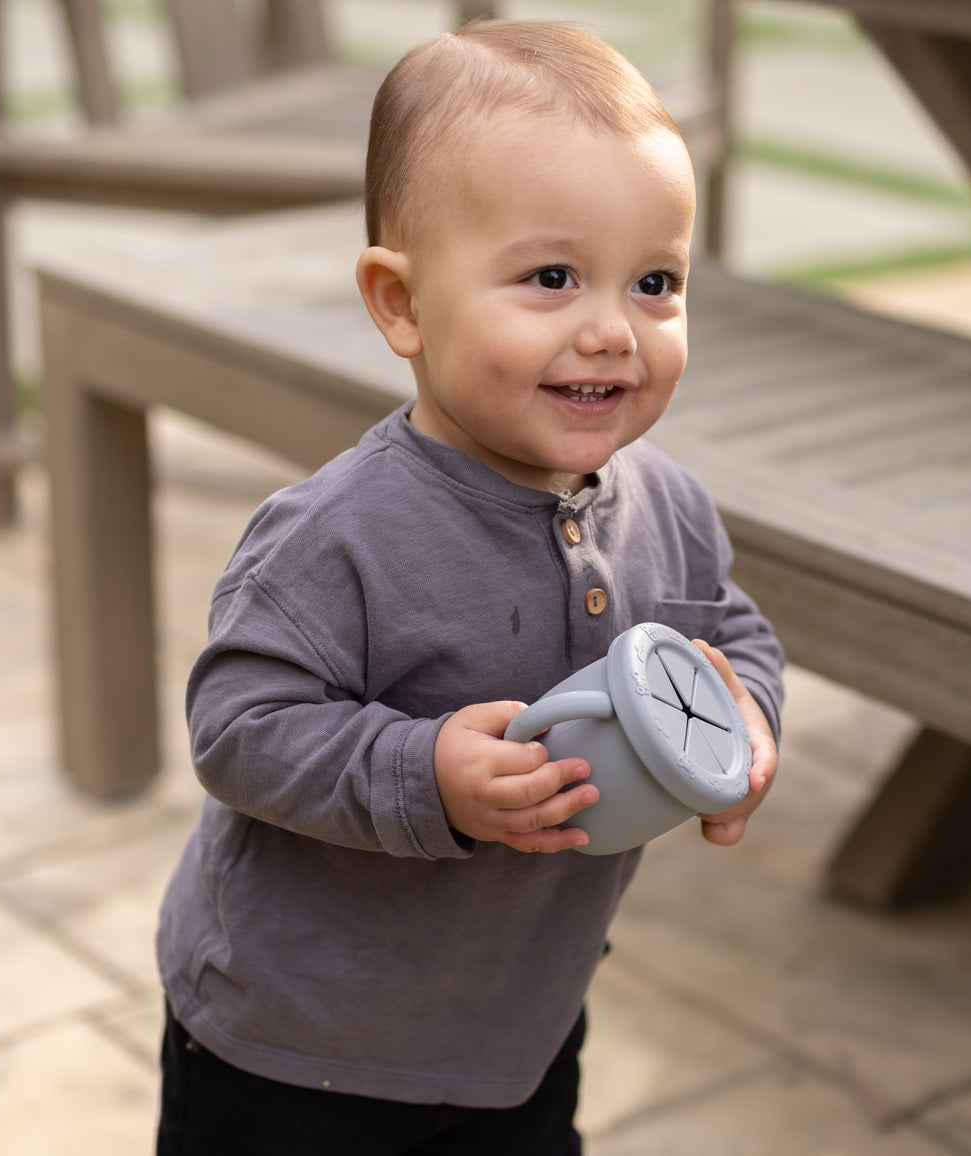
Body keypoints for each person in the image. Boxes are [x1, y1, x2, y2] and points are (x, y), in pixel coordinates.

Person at [155, 19, 784, 1155]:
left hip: (517, 1028)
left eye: (654, 282)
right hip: (295, 1045)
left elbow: (728, 630)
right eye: (550, 277)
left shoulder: (670, 507)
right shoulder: (336, 534)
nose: (611, 330)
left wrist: (746, 712)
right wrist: (422, 771)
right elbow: (235, 727)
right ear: (400, 303)